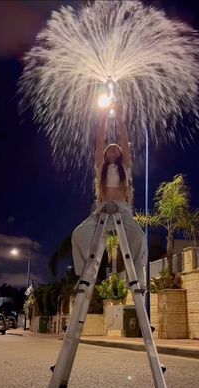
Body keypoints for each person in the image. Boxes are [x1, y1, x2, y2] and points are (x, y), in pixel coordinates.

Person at [71, 100, 147, 286]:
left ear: (120, 153)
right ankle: (85, 274)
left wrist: (120, 117)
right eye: (109, 149)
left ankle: (137, 279)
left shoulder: (124, 167)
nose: (112, 149)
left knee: (138, 238)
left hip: (122, 209)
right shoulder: (101, 168)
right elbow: (98, 141)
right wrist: (104, 115)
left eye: (116, 148)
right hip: (102, 210)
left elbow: (124, 140)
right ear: (105, 155)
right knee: (79, 235)